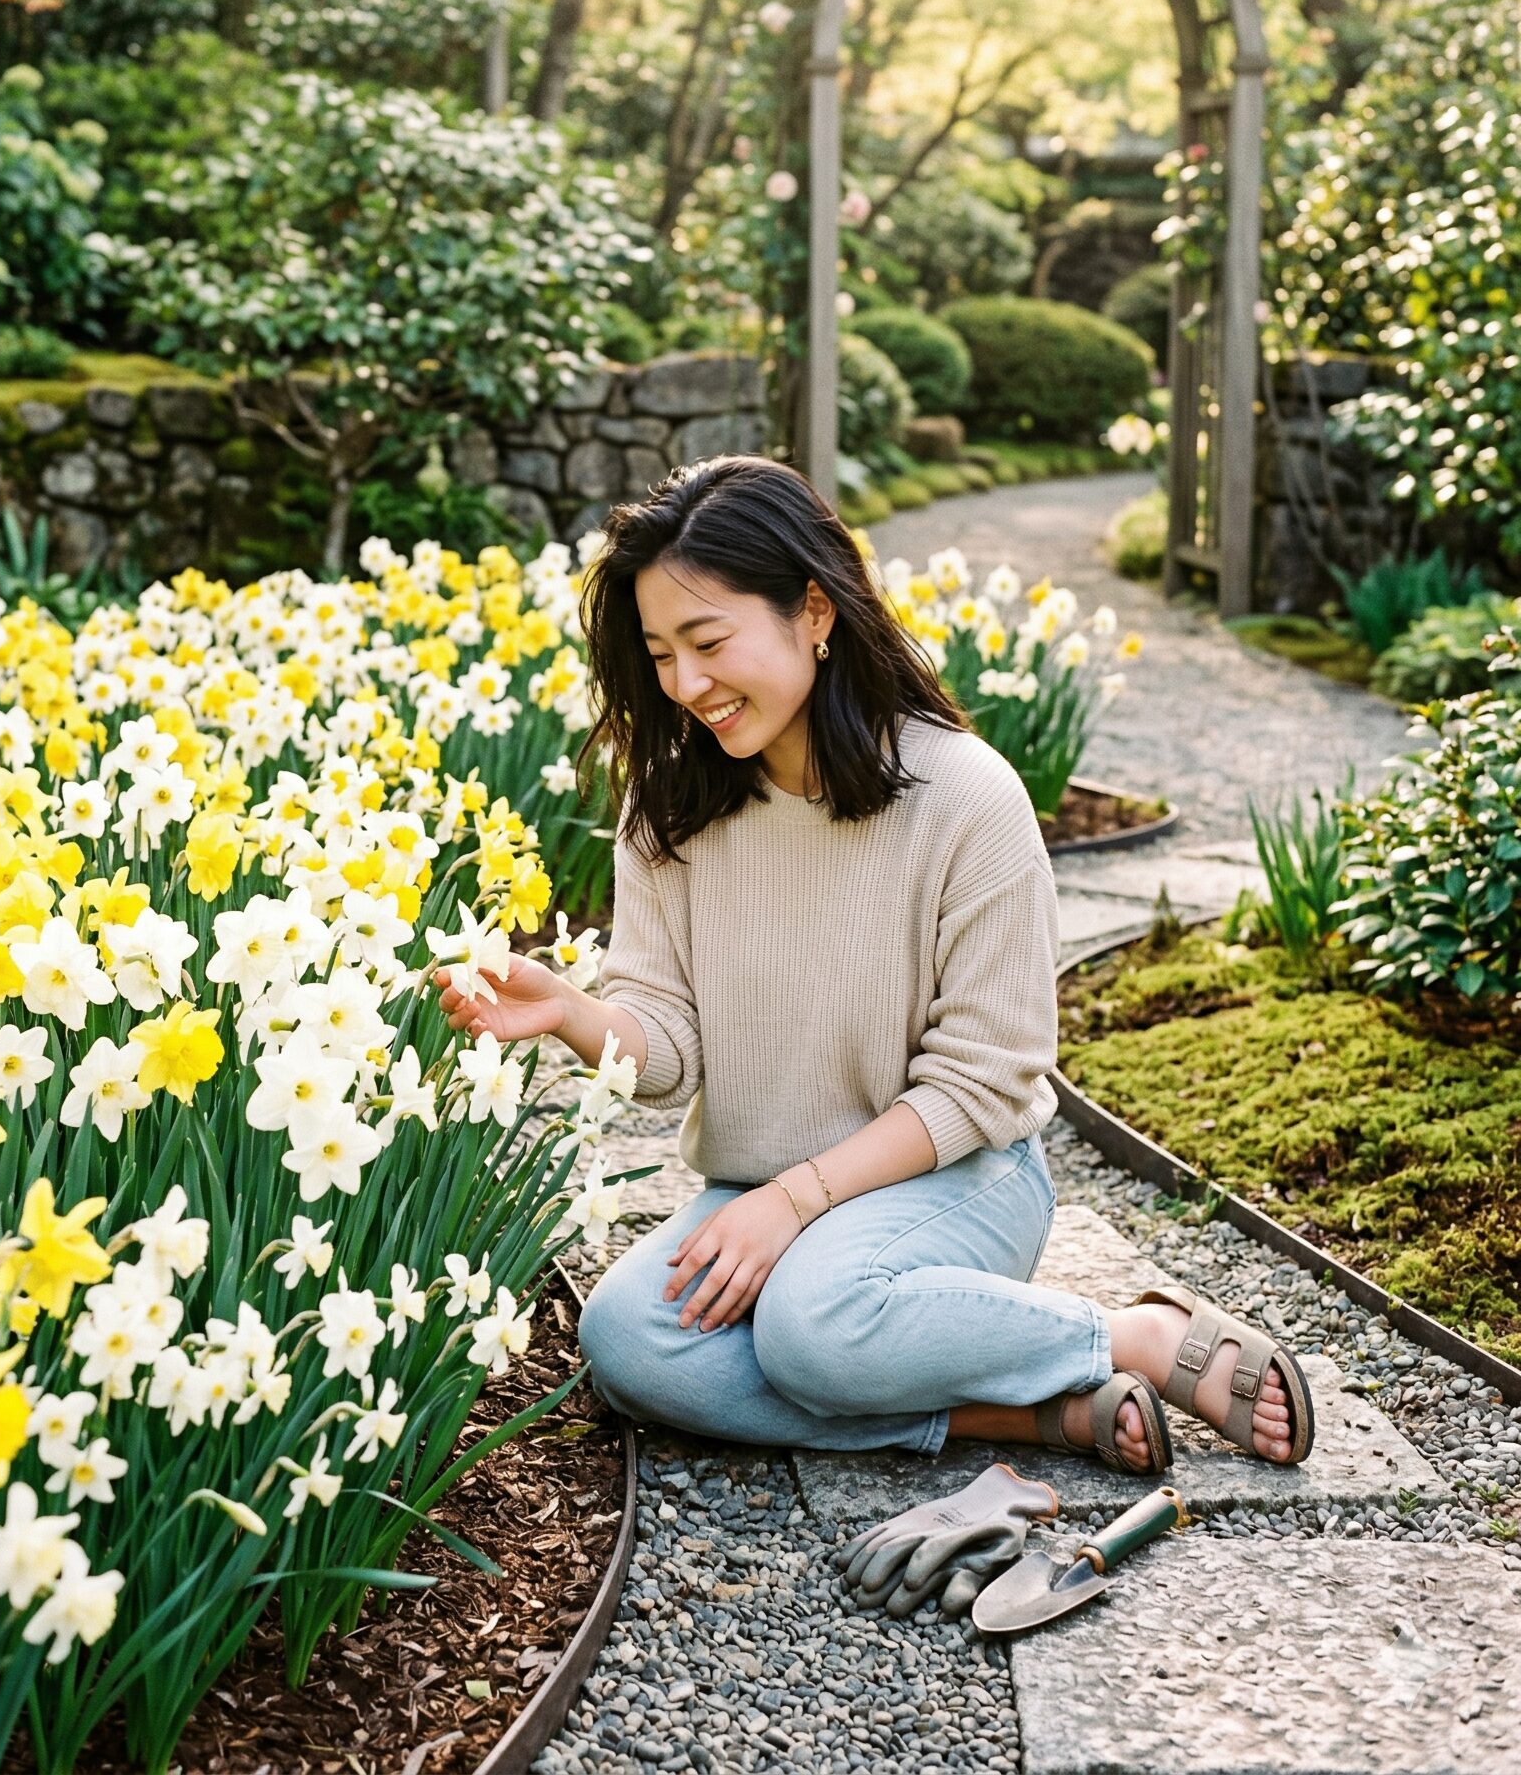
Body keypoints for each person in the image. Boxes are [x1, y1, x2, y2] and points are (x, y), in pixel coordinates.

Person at [429, 454, 1313, 1475]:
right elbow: (664, 1048)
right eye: (660, 653)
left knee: (812, 1327)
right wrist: (570, 1011)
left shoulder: (963, 796)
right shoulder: (669, 802)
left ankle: (1128, 1337)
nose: (684, 685)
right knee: (628, 1343)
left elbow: (984, 1082)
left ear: (813, 610)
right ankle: (1021, 1414)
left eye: (708, 642)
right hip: (759, 1185)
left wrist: (796, 1201)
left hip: (955, 1177)